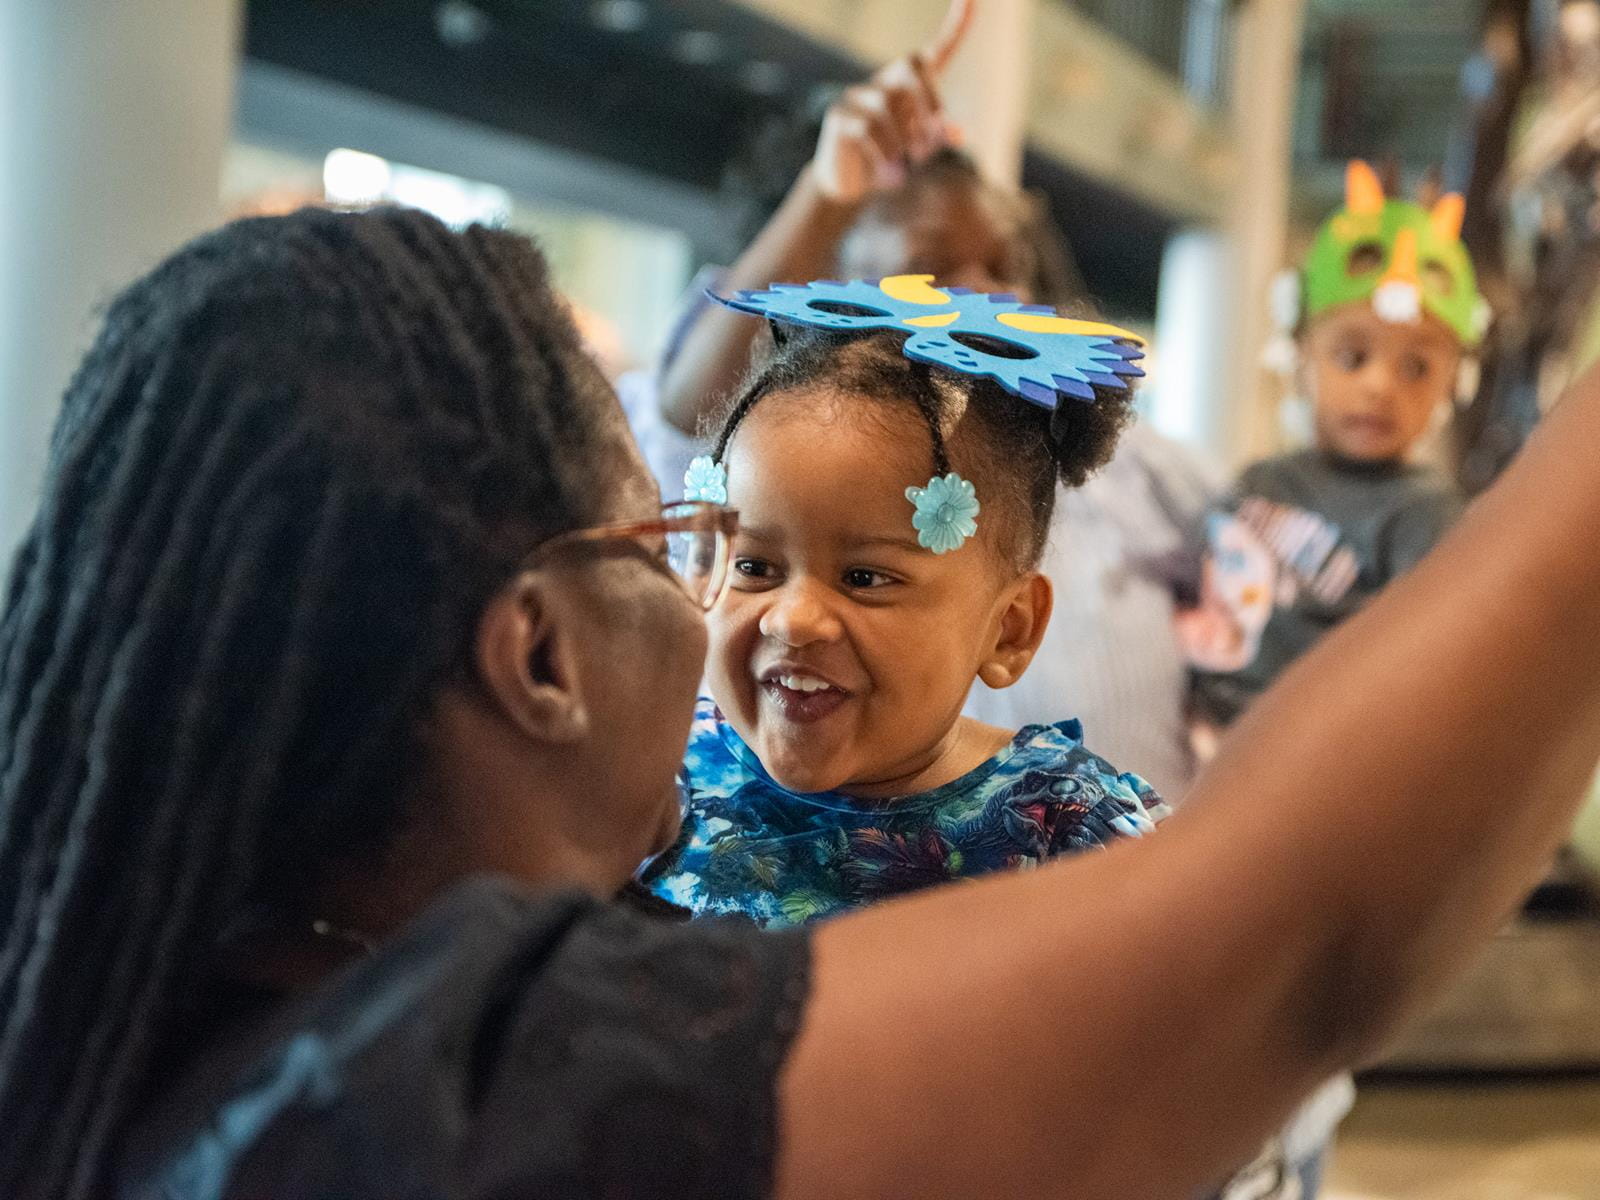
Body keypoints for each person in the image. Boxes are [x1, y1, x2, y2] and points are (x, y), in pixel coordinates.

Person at [3, 206, 1600, 1200]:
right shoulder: (477, 1099)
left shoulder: (173, 999)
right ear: (539, 656)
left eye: (871, 574)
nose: (767, 615)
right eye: (703, 547)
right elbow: (1294, 944)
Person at [643, 282, 1165, 923]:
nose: (793, 618)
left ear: (1008, 630)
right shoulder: (655, 772)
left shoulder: (1069, 831)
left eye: (864, 578)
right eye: (753, 567)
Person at [1181, 160, 1482, 731]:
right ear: (1299, 355)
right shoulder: (1259, 482)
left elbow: (1422, 667)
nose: (1378, 385)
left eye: (1416, 367)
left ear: (1454, 383)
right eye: (1351, 357)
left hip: (1311, 753)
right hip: (1201, 731)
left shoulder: (1426, 515)